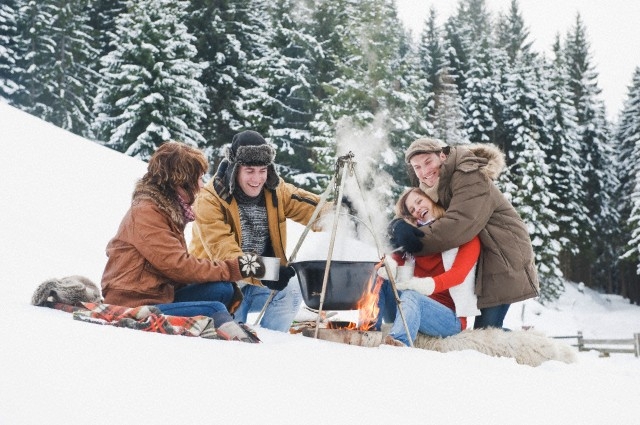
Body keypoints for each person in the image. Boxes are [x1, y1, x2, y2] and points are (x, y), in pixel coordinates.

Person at [101, 141, 266, 341]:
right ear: (180, 181)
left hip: (160, 294)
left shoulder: (167, 211)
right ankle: (237, 342)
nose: (201, 185)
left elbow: (178, 269)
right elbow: (179, 266)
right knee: (214, 309)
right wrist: (238, 267)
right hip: (135, 302)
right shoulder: (147, 213)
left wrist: (249, 267)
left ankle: (224, 328)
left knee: (223, 289)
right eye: (198, 178)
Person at [388, 138, 540, 329]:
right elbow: (420, 211)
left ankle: (530, 347)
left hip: (501, 259)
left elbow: (456, 226)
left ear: (442, 156)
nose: (424, 171)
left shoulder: (469, 176)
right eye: (417, 167)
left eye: (428, 162)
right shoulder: (439, 184)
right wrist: (398, 226)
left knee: (486, 332)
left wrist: (413, 242)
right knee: (485, 333)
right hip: (482, 255)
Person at [189, 130, 324, 332]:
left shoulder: (276, 192)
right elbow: (225, 254)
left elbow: (310, 208)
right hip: (223, 285)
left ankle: (271, 340)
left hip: (257, 282)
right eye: (250, 170)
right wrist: (268, 270)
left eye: (263, 170)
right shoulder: (210, 200)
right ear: (235, 169)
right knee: (235, 339)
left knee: (292, 288)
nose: (257, 179)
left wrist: (342, 209)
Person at [377, 188, 481, 346]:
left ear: (432, 199)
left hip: (449, 318)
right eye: (412, 209)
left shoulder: (464, 235)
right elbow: (393, 263)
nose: (417, 209)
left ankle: (398, 344)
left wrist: (423, 285)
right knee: (380, 278)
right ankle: (368, 331)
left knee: (412, 295)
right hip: (407, 308)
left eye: (419, 202)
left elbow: (458, 275)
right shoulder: (414, 240)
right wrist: (389, 264)